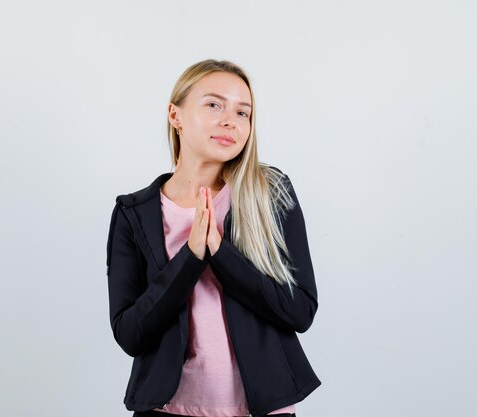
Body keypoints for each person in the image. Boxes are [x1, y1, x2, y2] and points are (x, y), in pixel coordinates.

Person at [106, 59, 321, 417]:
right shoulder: (134, 213)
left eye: (243, 113)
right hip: (167, 408)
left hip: (263, 408)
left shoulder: (271, 193)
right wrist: (190, 259)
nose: (229, 121)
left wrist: (220, 253)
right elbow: (130, 334)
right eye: (213, 104)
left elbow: (300, 311)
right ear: (175, 115)